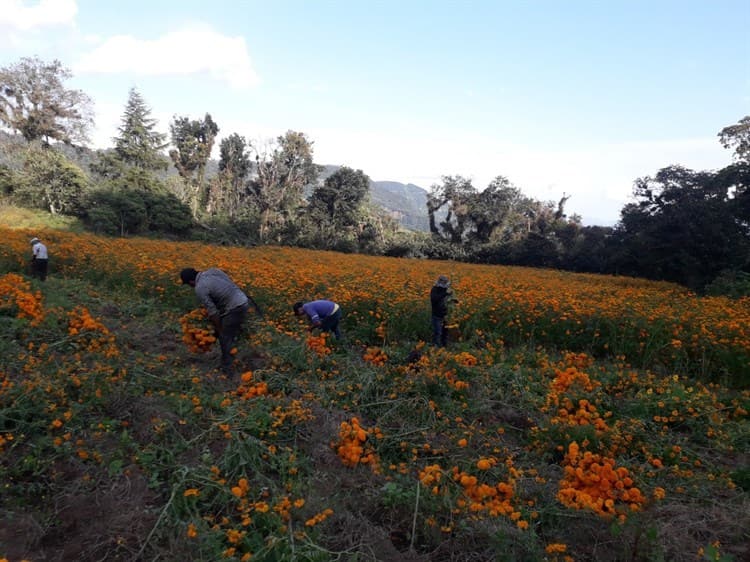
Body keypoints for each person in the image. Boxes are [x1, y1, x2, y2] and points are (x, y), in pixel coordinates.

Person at [180, 267, 250, 375]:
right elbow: (228, 282)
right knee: (231, 331)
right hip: (242, 299)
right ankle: (234, 357)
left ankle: (228, 370)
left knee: (225, 337)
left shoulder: (200, 287)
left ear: (191, 281)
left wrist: (219, 329)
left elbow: (213, 312)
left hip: (235, 307)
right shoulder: (212, 271)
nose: (191, 287)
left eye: (189, 285)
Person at [430, 275, 457, 347]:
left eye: (445, 282)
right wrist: (445, 294)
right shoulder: (435, 289)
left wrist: (454, 300)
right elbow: (434, 299)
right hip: (437, 314)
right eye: (443, 282)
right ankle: (436, 347)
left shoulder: (447, 290)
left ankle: (444, 346)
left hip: (446, 314)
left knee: (445, 332)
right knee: (438, 332)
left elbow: (452, 299)